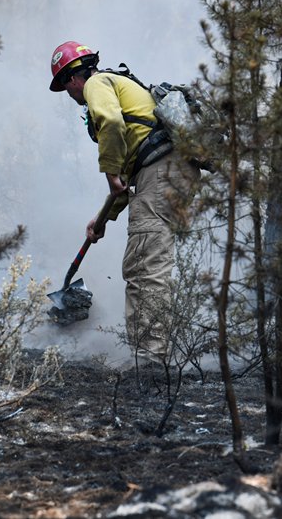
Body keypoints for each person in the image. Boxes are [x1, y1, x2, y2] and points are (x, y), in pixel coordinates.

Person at [49, 40, 198, 363]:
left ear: (72, 78)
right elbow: (127, 182)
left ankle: (151, 358)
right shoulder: (121, 86)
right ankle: (150, 352)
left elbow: (112, 124)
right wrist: (101, 220)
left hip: (161, 171)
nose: (71, 96)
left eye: (65, 87)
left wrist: (109, 172)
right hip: (166, 171)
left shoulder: (97, 84)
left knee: (145, 264)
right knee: (146, 259)